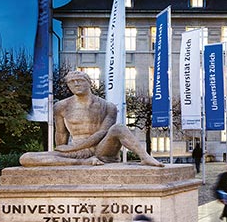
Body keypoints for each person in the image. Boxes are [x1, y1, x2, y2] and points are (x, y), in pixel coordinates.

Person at [19, 71, 164, 167]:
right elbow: (61, 135)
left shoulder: (108, 106)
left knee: (118, 128)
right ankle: (83, 163)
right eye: (72, 82)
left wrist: (74, 147)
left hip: (101, 149)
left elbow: (102, 133)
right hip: (77, 154)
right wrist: (63, 152)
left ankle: (145, 157)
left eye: (80, 80)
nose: (76, 84)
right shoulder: (61, 106)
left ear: (89, 82)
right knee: (26, 158)